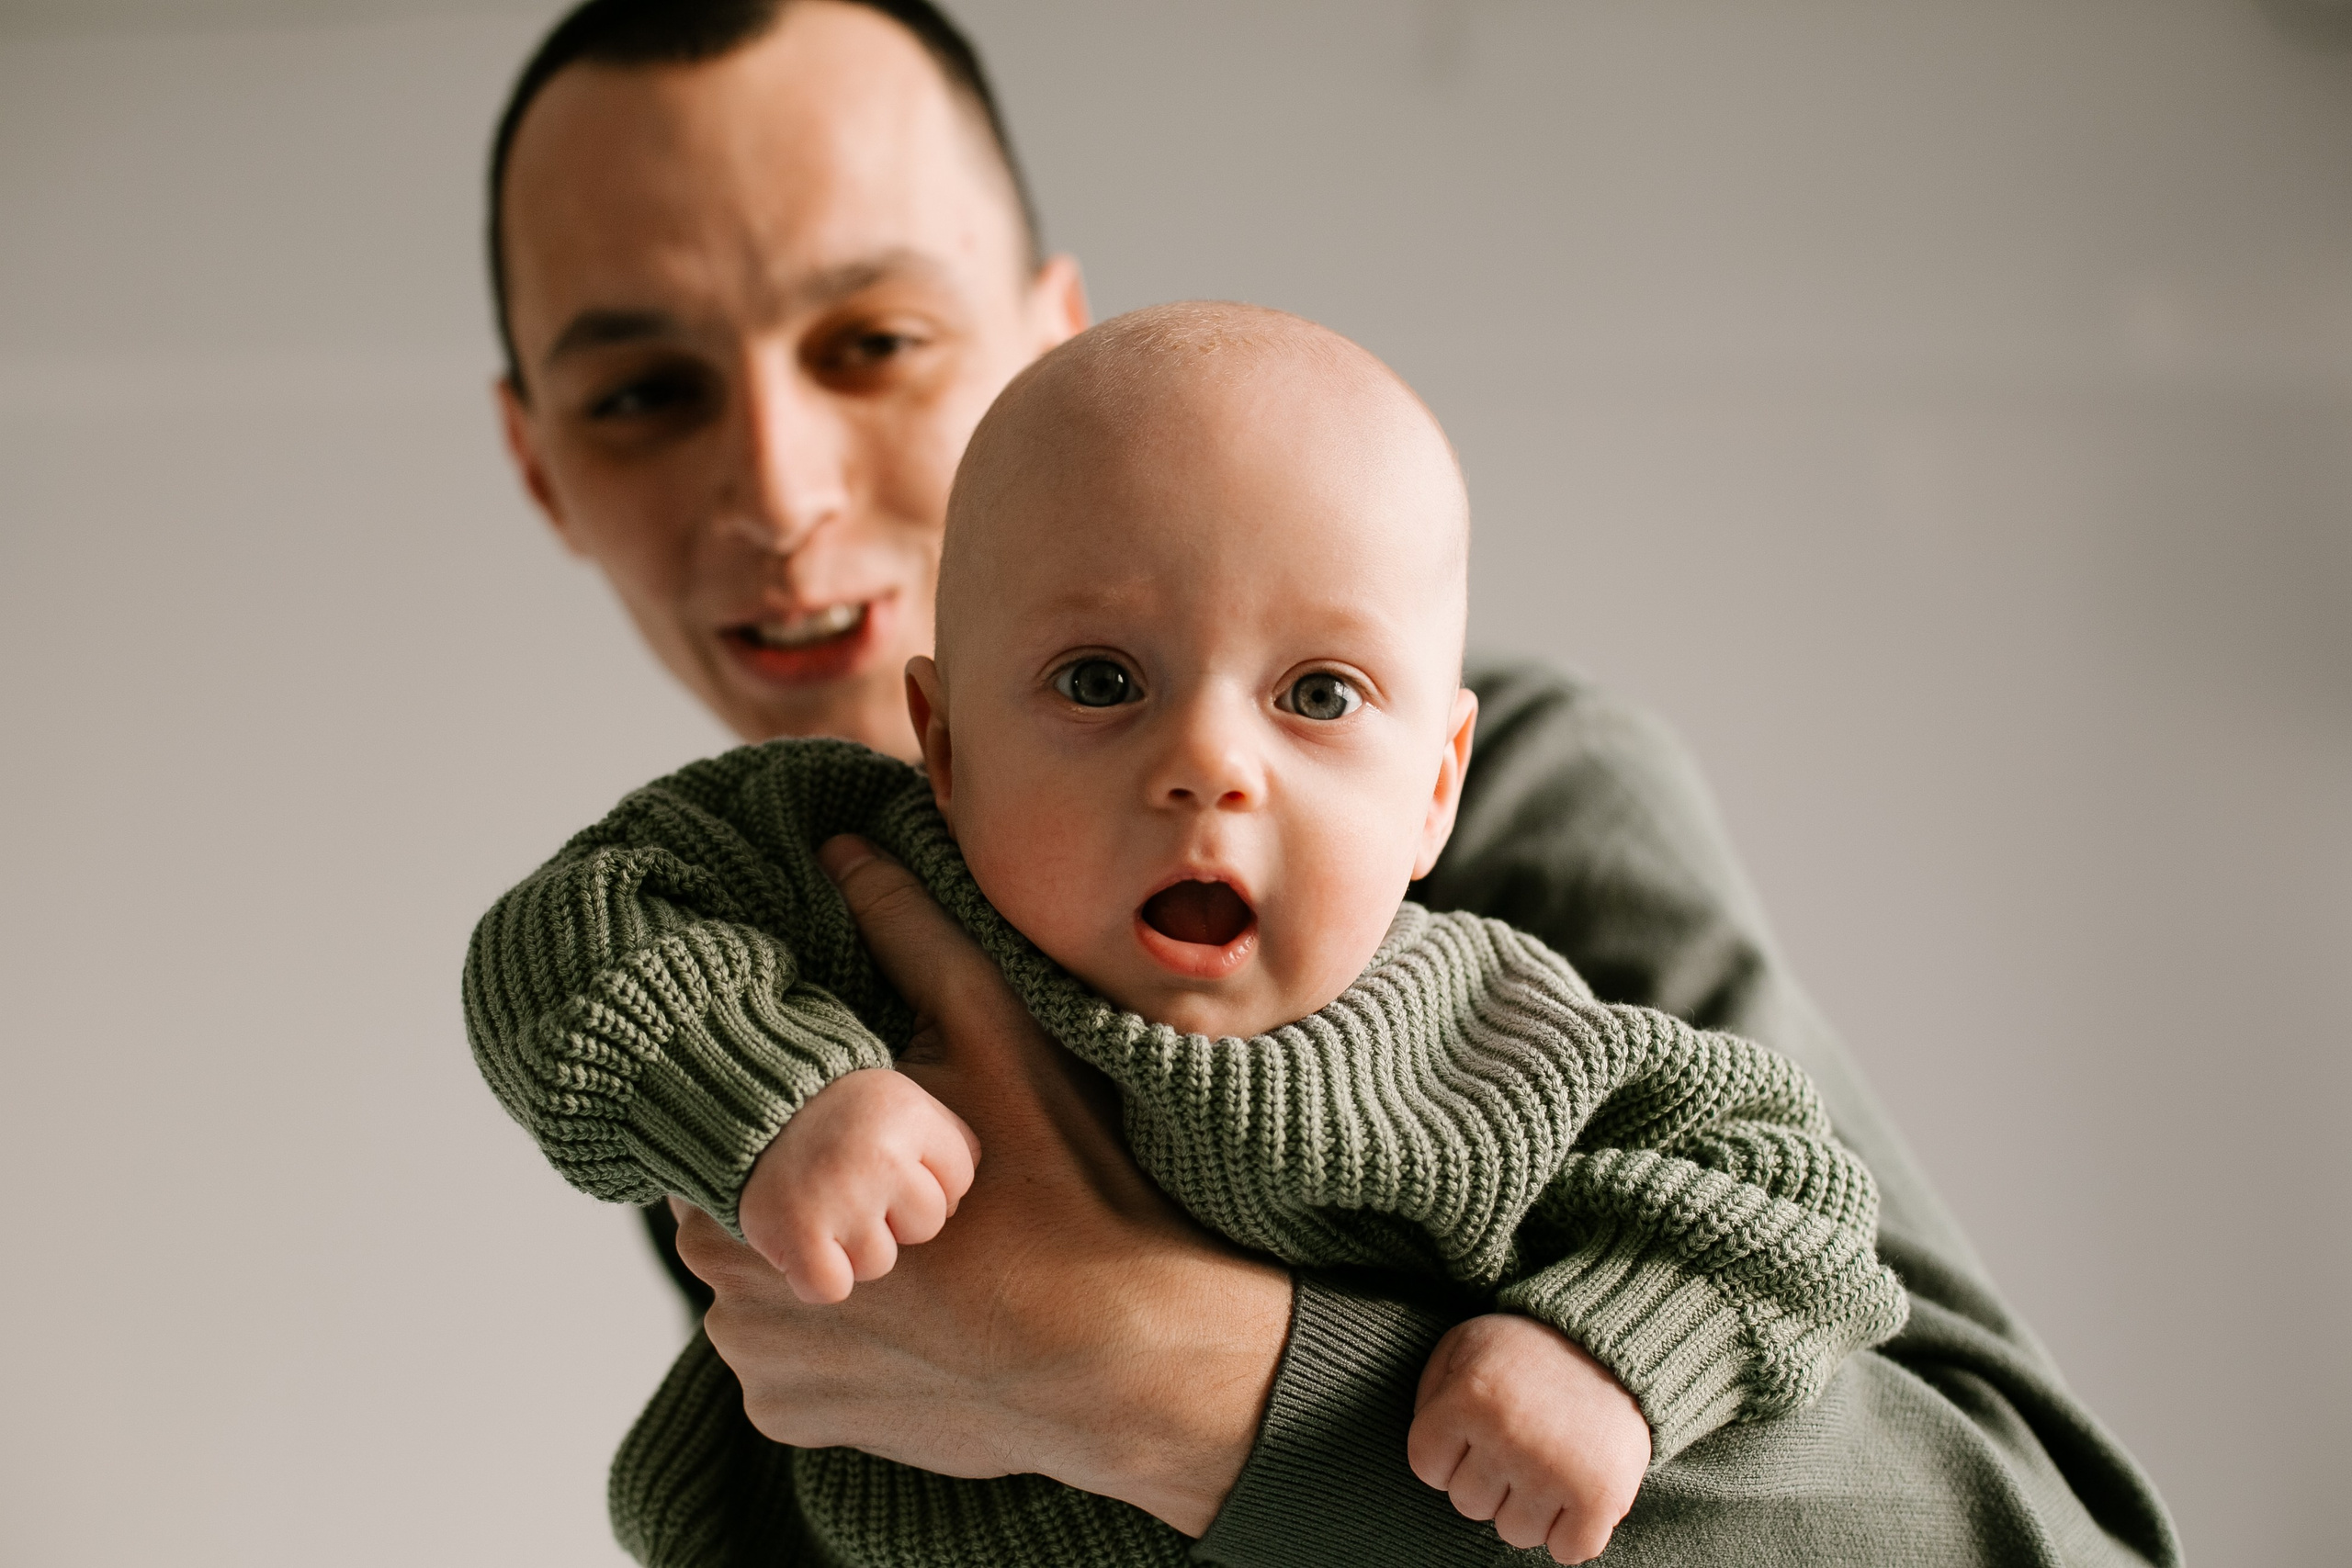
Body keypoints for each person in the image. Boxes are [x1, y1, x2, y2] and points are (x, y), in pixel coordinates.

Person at [486, 0, 2179, 1562]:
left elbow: (2038, 1533)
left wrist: (1165, 1376)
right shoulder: (739, 981)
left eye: (873, 341)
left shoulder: (1519, 839)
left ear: (1047, 343)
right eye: (644, 392)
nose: (775, 493)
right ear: (537, 461)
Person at [467, 303, 1913, 1565]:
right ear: (947, 743)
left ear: (1436, 792)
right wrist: (773, 1095)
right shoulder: (845, 868)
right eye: (1100, 680)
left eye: (1322, 694)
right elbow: (564, 934)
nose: (1211, 763)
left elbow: (1783, 1191)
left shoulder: (1494, 1037)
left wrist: (1609, 1351)